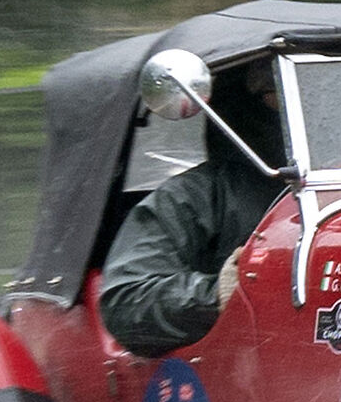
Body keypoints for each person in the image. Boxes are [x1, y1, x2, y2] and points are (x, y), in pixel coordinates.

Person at [99, 58, 290, 357]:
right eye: (281, 92)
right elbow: (126, 299)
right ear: (238, 101)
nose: (305, 109)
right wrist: (217, 293)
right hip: (233, 372)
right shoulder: (193, 196)